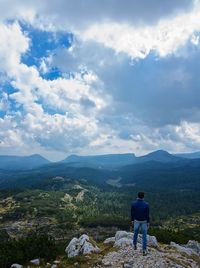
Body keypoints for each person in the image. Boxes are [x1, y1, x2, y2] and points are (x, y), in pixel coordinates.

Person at [131, 192, 150, 256]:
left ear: (138, 196)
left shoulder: (134, 203)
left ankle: (134, 245)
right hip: (144, 221)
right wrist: (148, 222)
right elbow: (147, 215)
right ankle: (144, 250)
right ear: (143, 197)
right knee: (144, 236)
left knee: (135, 233)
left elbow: (132, 213)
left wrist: (132, 220)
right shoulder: (146, 204)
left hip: (136, 221)